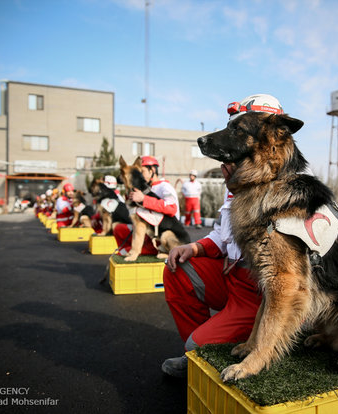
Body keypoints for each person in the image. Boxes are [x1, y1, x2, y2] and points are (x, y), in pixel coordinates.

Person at [160, 94, 284, 378]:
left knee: (196, 346)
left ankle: (202, 350)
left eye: (238, 130)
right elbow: (223, 233)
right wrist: (195, 247)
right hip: (233, 280)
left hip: (260, 295)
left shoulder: (289, 178)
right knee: (178, 271)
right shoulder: (240, 171)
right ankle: (199, 350)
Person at [113, 155, 180, 256]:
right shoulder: (147, 187)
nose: (140, 175)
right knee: (118, 228)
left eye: (142, 172)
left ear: (152, 170)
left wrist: (144, 199)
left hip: (162, 234)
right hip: (149, 230)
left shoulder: (165, 187)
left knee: (121, 253)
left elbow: (171, 209)